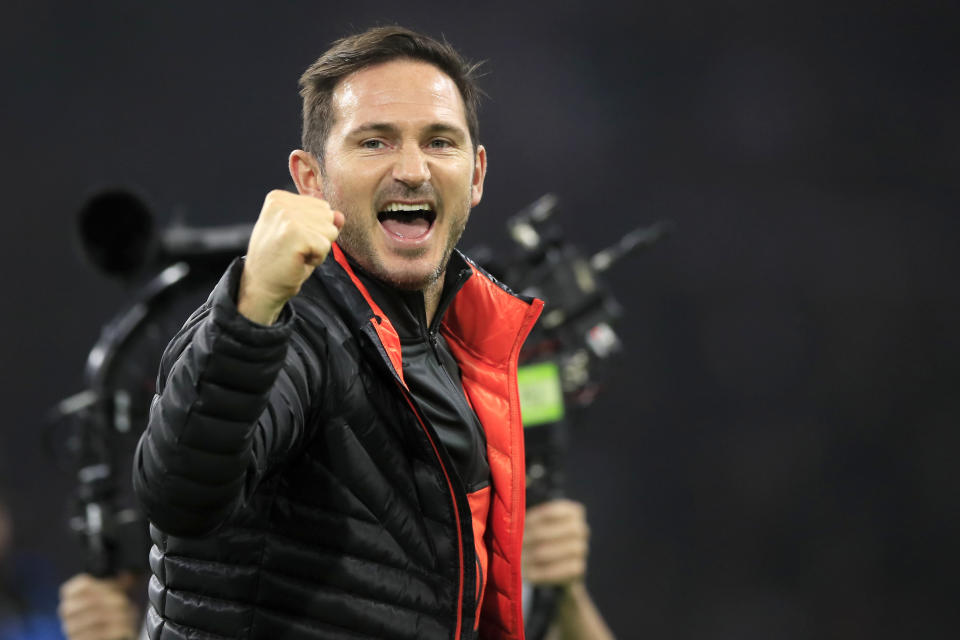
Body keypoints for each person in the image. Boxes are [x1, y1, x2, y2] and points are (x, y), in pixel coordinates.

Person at [132, 26, 543, 640]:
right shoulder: (287, 322)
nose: (412, 169)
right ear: (310, 178)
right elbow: (181, 497)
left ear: (477, 173)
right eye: (374, 142)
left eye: (440, 142)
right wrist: (253, 308)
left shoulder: (462, 338)